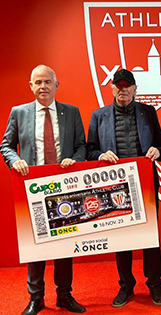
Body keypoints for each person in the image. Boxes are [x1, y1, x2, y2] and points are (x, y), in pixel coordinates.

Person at [0, 65, 87, 315]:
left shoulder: (71, 112)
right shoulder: (19, 112)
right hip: (32, 188)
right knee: (35, 245)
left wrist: (75, 160)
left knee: (64, 244)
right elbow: (6, 145)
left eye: (47, 82)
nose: (43, 87)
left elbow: (81, 145)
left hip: (65, 188)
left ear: (56, 85)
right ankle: (35, 298)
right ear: (31, 86)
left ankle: (64, 295)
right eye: (38, 82)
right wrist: (14, 159)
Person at [86, 69, 161, 308]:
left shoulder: (148, 112)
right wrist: (100, 154)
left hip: (146, 184)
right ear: (112, 89)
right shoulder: (98, 116)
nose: (123, 90)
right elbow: (89, 151)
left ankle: (155, 284)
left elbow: (160, 143)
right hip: (114, 187)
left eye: (127, 86)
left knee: (151, 237)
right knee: (121, 238)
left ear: (135, 89)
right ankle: (126, 285)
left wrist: (157, 151)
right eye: (118, 86)